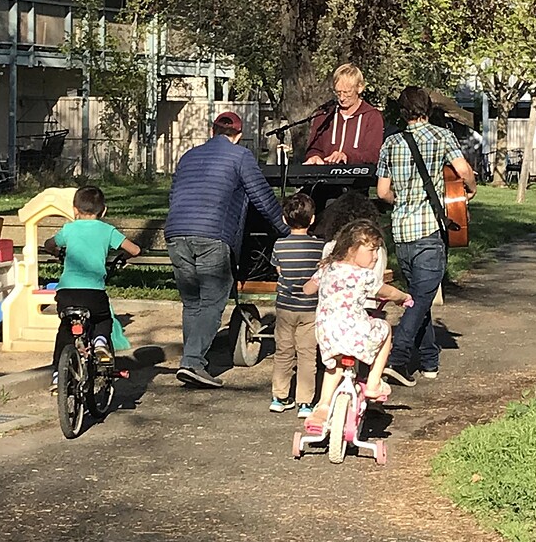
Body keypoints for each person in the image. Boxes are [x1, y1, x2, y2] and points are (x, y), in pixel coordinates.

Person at [164, 110, 288, 387]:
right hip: (212, 235)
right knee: (211, 300)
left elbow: (174, 195)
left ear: (212, 131)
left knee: (192, 302)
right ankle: (192, 362)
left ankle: (193, 360)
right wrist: (288, 231)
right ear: (239, 136)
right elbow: (263, 198)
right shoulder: (241, 156)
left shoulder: (188, 156)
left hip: (176, 233)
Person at [375, 85, 477, 387]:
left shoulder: (390, 143)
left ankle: (429, 360)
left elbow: (382, 191)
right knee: (421, 299)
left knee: (419, 298)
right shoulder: (442, 136)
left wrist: (403, 202)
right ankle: (397, 357)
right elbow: (463, 169)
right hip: (430, 229)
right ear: (428, 108)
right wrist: (470, 188)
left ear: (403, 112)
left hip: (402, 232)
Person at [302, 219, 414, 416]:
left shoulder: (328, 268)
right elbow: (386, 292)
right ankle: (373, 382)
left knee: (334, 368)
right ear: (351, 249)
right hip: (354, 332)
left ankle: (323, 406)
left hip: (327, 334)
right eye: (371, 250)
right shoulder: (364, 276)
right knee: (385, 329)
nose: (376, 257)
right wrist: (403, 297)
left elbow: (308, 288)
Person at [49, 185, 140, 392]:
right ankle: (100, 342)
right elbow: (135, 250)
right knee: (103, 319)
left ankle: (57, 375)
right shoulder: (107, 230)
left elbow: (48, 243)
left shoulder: (69, 228)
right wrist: (122, 258)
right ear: (104, 211)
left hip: (66, 294)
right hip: (93, 293)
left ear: (74, 210)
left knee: (65, 329)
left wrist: (55, 250)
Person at [268, 192, 323, 419]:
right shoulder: (320, 247)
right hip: (310, 308)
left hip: (285, 307)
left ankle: (279, 397)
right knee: (307, 354)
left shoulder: (279, 245)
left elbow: (279, 270)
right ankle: (305, 401)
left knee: (283, 352)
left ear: (284, 219)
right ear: (312, 220)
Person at [303, 63, 384, 167]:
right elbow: (314, 148)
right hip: (324, 178)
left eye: (346, 92)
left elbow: (374, 154)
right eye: (338, 92)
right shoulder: (324, 115)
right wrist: (314, 156)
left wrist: (347, 157)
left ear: (359, 88)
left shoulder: (372, 117)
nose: (342, 98)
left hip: (357, 179)